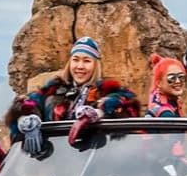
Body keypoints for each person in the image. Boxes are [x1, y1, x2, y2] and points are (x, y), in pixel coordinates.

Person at [7, 37, 140, 152]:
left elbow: (128, 103)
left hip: (94, 161)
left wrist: (98, 113)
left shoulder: (105, 90)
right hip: (53, 162)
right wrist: (25, 120)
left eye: (87, 61)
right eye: (76, 60)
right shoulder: (53, 90)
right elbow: (26, 105)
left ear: (96, 65)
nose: (80, 66)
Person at [145, 53, 187, 117]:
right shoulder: (166, 114)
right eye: (172, 78)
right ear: (159, 83)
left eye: (181, 77)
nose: (178, 81)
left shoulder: (158, 97)